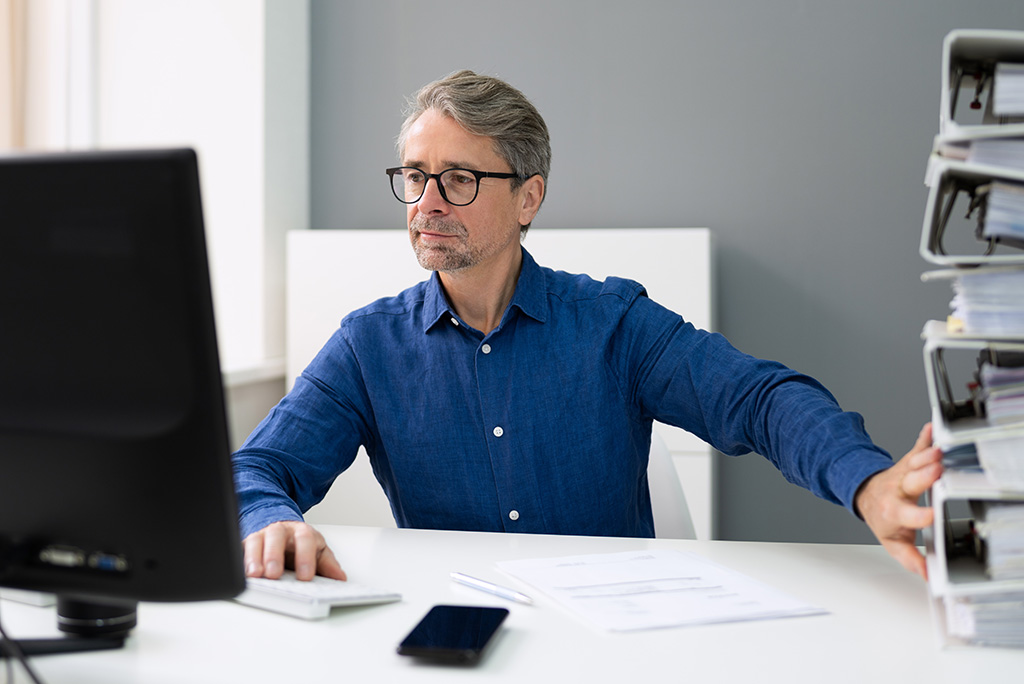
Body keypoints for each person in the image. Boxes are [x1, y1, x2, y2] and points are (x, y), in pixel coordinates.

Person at [233, 70, 943, 584]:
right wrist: (268, 520)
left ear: (528, 197)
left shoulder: (614, 323)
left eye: (458, 179)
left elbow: (757, 400)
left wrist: (868, 483)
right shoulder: (369, 344)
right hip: (455, 636)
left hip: (614, 637)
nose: (426, 202)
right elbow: (258, 469)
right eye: (414, 176)